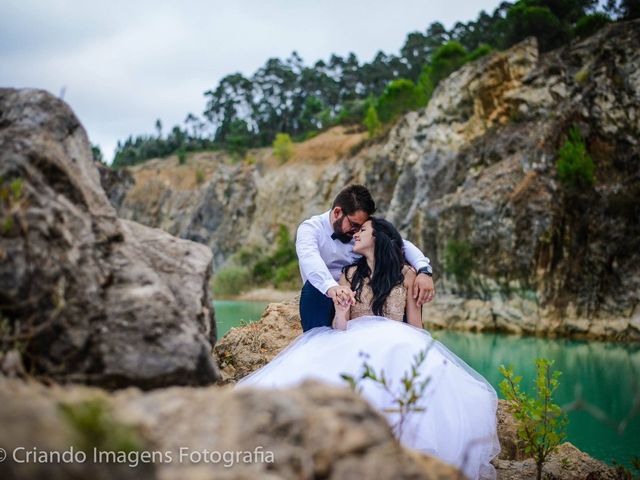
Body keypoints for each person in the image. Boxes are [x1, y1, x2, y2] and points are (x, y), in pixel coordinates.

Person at [237, 217, 500, 480]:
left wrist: (425, 355)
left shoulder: (407, 275)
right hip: (353, 338)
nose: (356, 235)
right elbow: (340, 327)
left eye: (363, 230)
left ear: (378, 238)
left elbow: (416, 325)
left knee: (404, 358)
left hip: (399, 339)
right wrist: (340, 310)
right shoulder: (350, 274)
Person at [296, 184, 435, 332]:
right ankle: (317, 341)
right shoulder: (310, 229)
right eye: (354, 225)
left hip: (360, 293)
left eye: (361, 228)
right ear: (337, 212)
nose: (356, 232)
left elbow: (400, 244)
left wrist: (424, 271)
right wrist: (332, 287)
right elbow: (309, 258)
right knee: (312, 289)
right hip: (326, 294)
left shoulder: (360, 236)